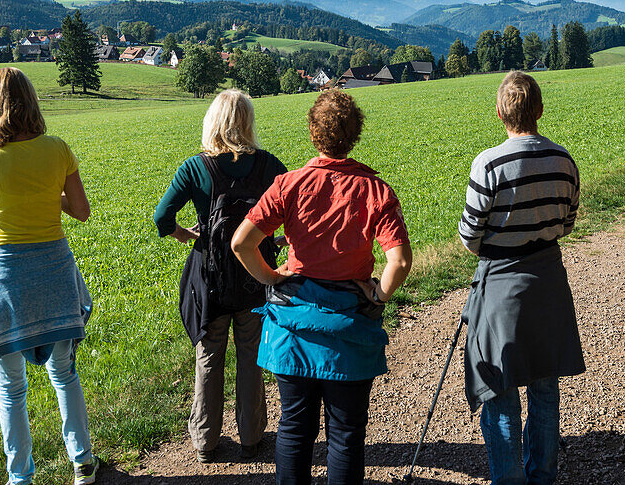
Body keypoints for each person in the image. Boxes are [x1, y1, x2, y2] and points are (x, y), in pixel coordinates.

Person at [231, 90, 413, 485]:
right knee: (346, 436)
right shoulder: (375, 190)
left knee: (294, 428)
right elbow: (398, 261)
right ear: (355, 134)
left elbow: (241, 243)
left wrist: (272, 278)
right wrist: (378, 294)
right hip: (349, 330)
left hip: (292, 328)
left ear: (314, 133)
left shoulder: (288, 185)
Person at [0, 67, 100, 485]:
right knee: (64, 373)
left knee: (11, 390)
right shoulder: (57, 150)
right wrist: (45, 196)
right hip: (55, 276)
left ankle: (20, 478)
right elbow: (81, 211)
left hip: (5, 283)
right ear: (31, 101)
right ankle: (83, 463)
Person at [457, 70, 585, 485]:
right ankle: (542, 476)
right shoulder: (563, 159)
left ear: (499, 112)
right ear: (541, 111)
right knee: (545, 389)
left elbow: (469, 236)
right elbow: (567, 223)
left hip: (499, 289)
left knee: (500, 392)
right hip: (548, 280)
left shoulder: (488, 163)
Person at [153, 89, 286, 463]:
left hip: (209, 282)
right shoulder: (269, 165)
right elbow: (295, 211)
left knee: (209, 357)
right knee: (251, 355)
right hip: (255, 276)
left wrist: (189, 237)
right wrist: (277, 243)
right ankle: (251, 437)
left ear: (212, 120)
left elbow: (161, 219)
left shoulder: (195, 168)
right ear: (248, 122)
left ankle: (205, 442)